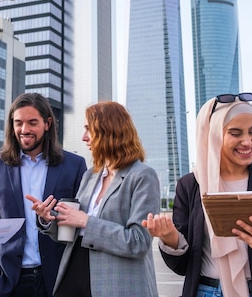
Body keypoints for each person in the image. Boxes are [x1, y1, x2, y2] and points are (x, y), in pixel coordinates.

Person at [144, 94, 252, 297]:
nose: (248, 142)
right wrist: (171, 239)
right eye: (235, 133)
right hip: (205, 291)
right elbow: (183, 266)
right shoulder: (190, 185)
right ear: (213, 135)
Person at [28, 101, 161, 297]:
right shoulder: (91, 175)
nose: (84, 137)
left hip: (117, 286)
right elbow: (72, 232)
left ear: (109, 131)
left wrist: (85, 221)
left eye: (89, 130)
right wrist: (50, 219)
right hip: (74, 278)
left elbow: (138, 242)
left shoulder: (142, 176)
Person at [0, 93, 87, 297]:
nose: (24, 130)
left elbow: (79, 228)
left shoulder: (74, 165)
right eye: (18, 123)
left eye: (32, 122)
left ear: (47, 124)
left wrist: (51, 219)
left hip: (59, 282)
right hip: (10, 283)